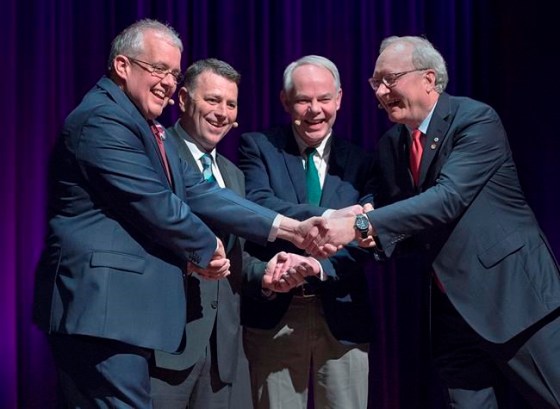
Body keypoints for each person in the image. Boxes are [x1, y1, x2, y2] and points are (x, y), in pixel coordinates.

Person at [31, 20, 349, 408]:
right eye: (157, 69)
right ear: (122, 66)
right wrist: (206, 247)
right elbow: (153, 202)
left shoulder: (145, 127)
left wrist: (293, 229)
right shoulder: (102, 119)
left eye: (173, 72)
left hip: (125, 321)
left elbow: (201, 192)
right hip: (102, 313)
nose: (166, 81)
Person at [354, 35, 560, 408]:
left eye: (389, 79)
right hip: (451, 312)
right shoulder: (390, 144)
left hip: (514, 299)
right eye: (375, 83)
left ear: (428, 79)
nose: (381, 91)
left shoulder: (475, 120)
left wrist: (367, 225)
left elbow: (447, 200)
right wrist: (371, 230)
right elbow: (398, 212)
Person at [149, 58, 321, 409]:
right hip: (164, 349)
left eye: (230, 104)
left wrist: (267, 277)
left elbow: (237, 259)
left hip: (222, 356)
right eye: (212, 100)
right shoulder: (158, 152)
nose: (222, 113)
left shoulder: (232, 174)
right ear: (183, 100)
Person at [237, 55, 375, 409]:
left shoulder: (363, 163)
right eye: (303, 100)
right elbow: (258, 203)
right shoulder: (258, 147)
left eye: (324, 99)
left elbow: (369, 234)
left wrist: (320, 267)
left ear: (340, 99)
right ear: (285, 101)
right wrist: (331, 217)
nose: (315, 110)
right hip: (274, 317)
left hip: (342, 314)